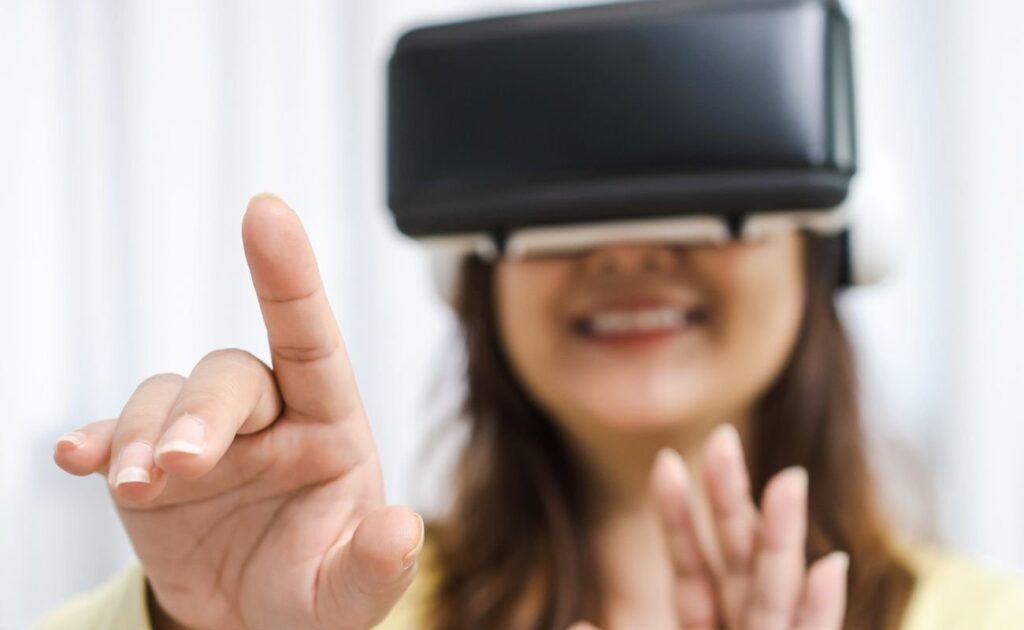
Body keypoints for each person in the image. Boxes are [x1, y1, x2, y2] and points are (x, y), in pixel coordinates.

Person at [40, 194, 1023, 630]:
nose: (627, 246)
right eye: (566, 199)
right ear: (471, 262)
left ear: (830, 238)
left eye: (695, 184)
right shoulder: (331, 604)